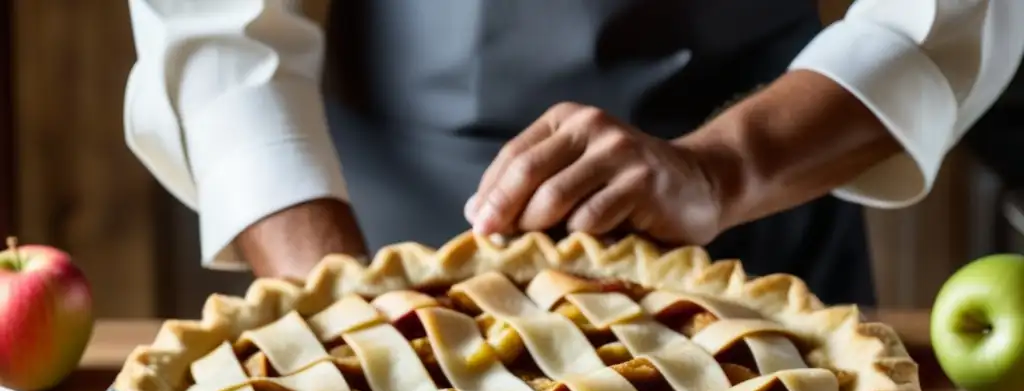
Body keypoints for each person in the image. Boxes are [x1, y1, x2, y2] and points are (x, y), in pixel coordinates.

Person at [125, 0, 1024, 306]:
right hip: (379, 235)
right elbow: (214, 24)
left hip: (761, 242)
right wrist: (338, 317)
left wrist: (722, 168)